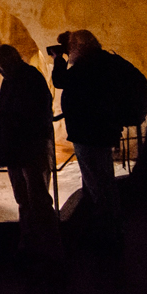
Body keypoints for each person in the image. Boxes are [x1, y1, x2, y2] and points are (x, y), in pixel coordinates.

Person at [0, 45, 64, 272]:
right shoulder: (14, 79)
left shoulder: (30, 79)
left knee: (38, 200)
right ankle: (30, 246)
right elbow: (16, 112)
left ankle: (51, 251)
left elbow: (29, 115)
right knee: (24, 200)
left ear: (10, 61)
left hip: (30, 149)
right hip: (17, 149)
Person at [51, 30, 124, 248]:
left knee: (97, 184)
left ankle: (107, 236)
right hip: (100, 131)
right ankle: (107, 229)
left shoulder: (87, 66)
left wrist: (58, 59)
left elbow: (60, 80)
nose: (70, 51)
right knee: (101, 180)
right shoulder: (102, 62)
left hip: (89, 133)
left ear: (80, 48)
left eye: (72, 47)